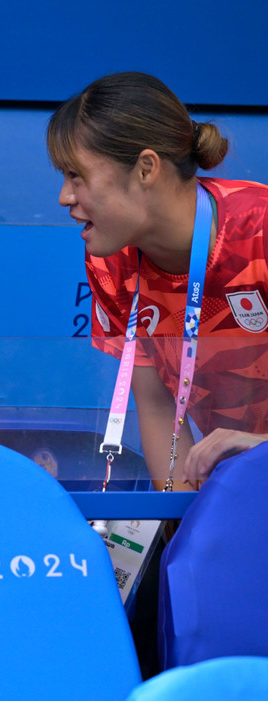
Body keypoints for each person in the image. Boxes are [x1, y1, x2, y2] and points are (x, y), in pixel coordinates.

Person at [48, 72, 268, 492]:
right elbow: (156, 406)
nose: (64, 196)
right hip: (247, 495)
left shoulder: (260, 228)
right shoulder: (110, 263)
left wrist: (261, 449)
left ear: (146, 168)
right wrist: (184, 523)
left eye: (76, 175)